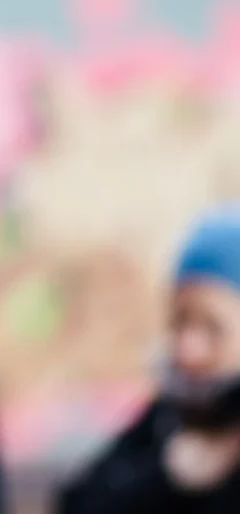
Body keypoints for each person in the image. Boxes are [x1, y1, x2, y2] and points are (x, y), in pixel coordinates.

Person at [59, 204, 240, 514]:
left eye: (213, 329)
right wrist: (169, 479)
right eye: (179, 322)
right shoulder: (168, 419)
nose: (188, 349)